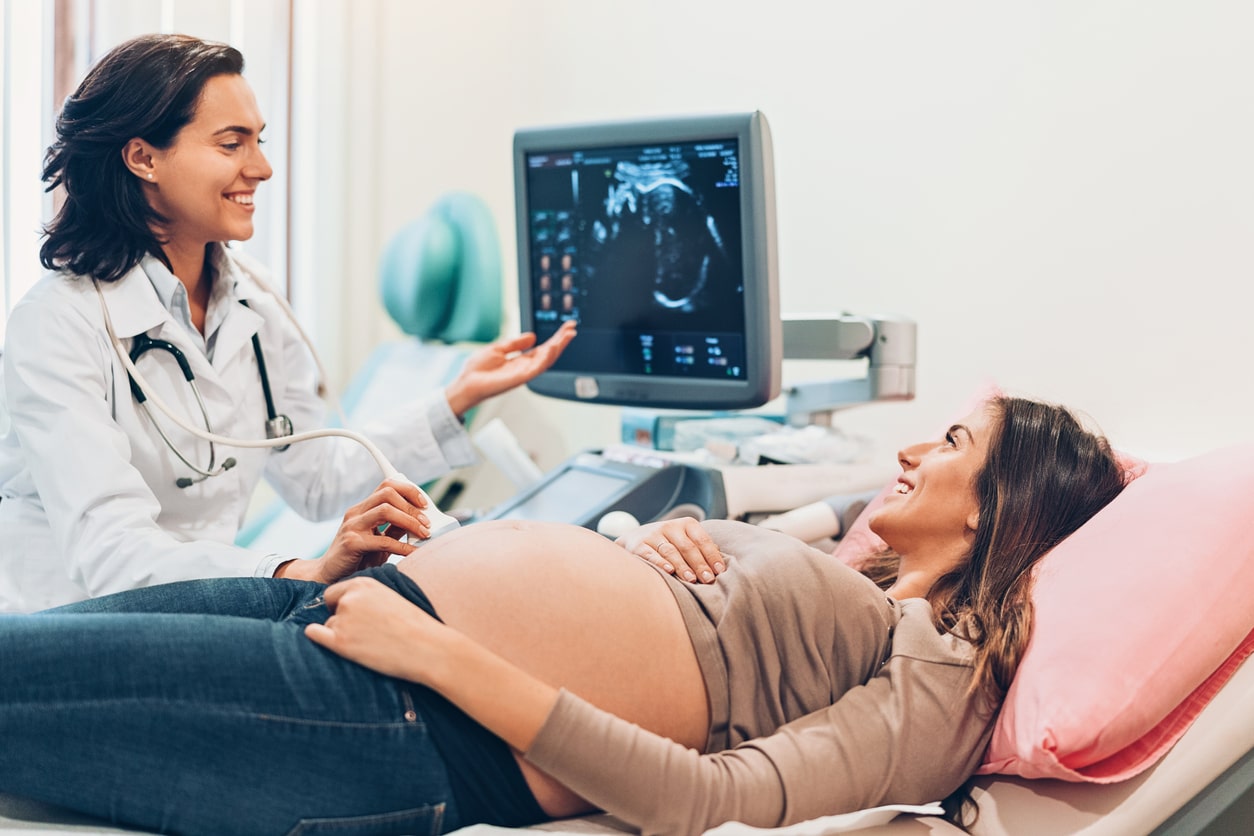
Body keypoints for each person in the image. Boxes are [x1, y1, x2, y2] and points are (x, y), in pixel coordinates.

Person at [0, 395, 1126, 835]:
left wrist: (439, 655)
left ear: (1001, 510)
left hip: (401, 714)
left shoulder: (945, 674)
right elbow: (706, 576)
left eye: (951, 447)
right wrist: (645, 544)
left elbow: (708, 800)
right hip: (348, 608)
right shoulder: (865, 581)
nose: (910, 450)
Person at [0, 33, 576, 612]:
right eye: (232, 144)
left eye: (260, 141)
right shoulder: (57, 324)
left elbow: (314, 479)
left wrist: (458, 397)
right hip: (67, 630)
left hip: (206, 612)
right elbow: (110, 550)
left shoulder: (255, 299)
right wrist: (302, 571)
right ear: (144, 157)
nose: (263, 168)